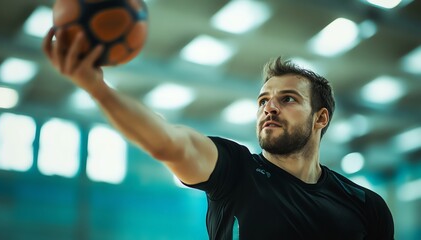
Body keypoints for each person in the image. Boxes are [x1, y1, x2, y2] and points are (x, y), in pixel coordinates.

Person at [42, 28, 394, 240]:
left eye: (287, 99)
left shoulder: (366, 206)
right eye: (263, 101)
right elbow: (169, 142)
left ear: (320, 118)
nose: (269, 108)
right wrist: (99, 89)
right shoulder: (236, 172)